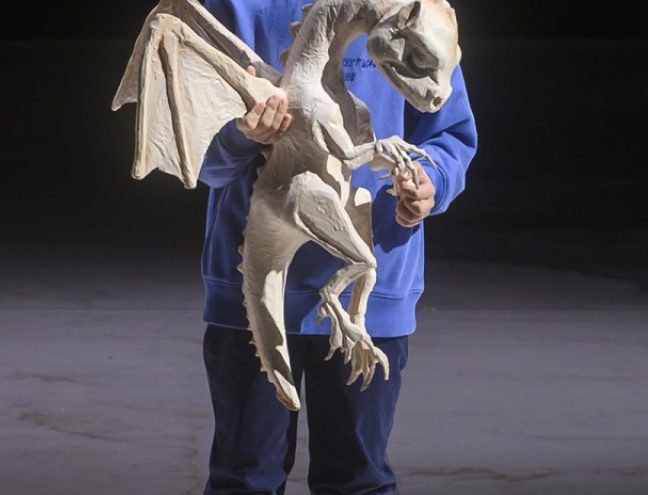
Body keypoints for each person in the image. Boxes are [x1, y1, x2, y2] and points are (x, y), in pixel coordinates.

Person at [196, 1, 478, 494]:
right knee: (245, 479)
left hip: (370, 295)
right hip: (252, 284)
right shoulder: (231, 6)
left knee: (358, 481)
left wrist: (430, 180)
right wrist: (242, 136)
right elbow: (206, 159)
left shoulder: (412, 9)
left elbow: (447, 128)